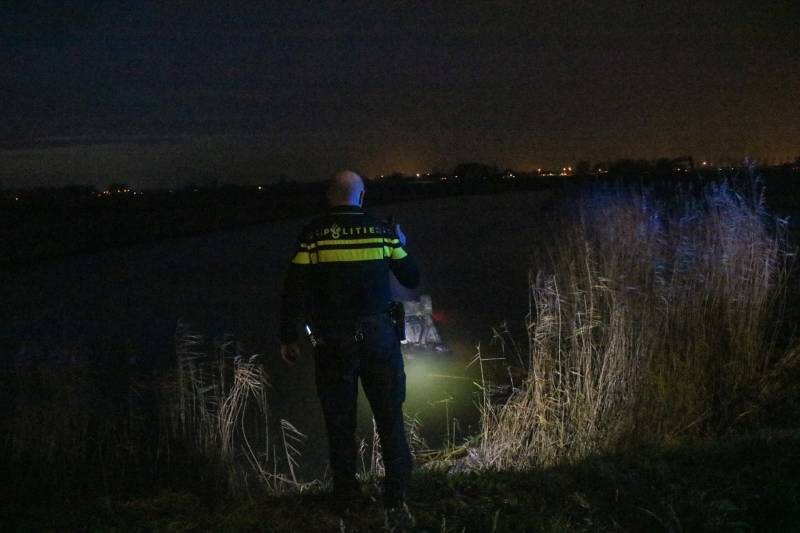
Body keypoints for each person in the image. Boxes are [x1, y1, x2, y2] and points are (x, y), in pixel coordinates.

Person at [279, 170, 419, 528]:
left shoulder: (313, 234)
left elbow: (294, 288)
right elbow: (411, 278)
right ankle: (397, 494)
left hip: (331, 341)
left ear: (329, 196)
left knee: (339, 421)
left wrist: (288, 336)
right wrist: (401, 242)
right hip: (380, 337)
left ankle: (346, 498)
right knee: (389, 416)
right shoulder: (383, 230)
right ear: (362, 195)